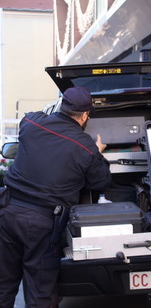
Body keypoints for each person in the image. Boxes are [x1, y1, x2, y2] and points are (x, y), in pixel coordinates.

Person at [0, 86, 112, 307]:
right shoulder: (85, 146)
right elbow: (101, 181)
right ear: (85, 115)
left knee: (3, 284)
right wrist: (97, 153)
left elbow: (30, 118)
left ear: (61, 106)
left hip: (8, 213)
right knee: (40, 293)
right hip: (42, 224)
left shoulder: (32, 124)